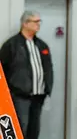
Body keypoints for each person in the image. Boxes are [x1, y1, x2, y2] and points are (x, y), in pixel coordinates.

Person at [0, 11, 53, 139]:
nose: (38, 24)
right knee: (20, 129)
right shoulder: (11, 45)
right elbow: (3, 70)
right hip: (20, 96)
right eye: (35, 22)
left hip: (38, 96)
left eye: (39, 21)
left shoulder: (41, 45)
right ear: (25, 23)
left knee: (34, 130)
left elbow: (48, 67)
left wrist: (47, 87)